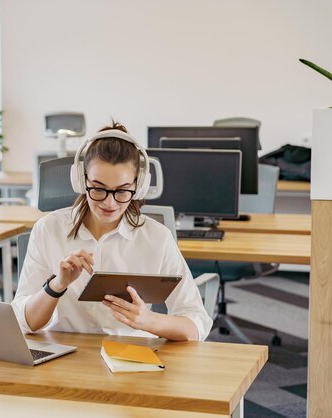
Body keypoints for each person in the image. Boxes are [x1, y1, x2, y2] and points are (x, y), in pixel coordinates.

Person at [11, 122, 212, 341]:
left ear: (139, 186)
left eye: (122, 191)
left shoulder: (157, 238)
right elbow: (24, 322)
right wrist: (57, 285)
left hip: (131, 360)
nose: (110, 203)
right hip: (64, 359)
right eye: (98, 189)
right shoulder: (48, 230)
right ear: (81, 181)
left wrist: (148, 320)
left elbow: (197, 323)